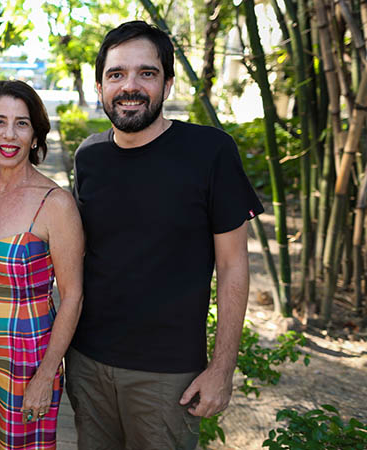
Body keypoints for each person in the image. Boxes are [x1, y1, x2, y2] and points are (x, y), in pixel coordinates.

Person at [66, 21, 264, 449]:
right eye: (116, 75)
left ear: (168, 83)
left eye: (146, 73)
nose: (129, 86)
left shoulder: (210, 151)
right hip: (86, 363)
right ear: (100, 86)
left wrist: (222, 368)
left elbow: (233, 266)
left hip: (166, 375)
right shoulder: (89, 156)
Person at [0, 80, 84, 450]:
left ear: (35, 135)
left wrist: (47, 375)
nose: (9, 134)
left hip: (26, 357)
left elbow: (73, 296)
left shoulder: (56, 203)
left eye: (22, 123)